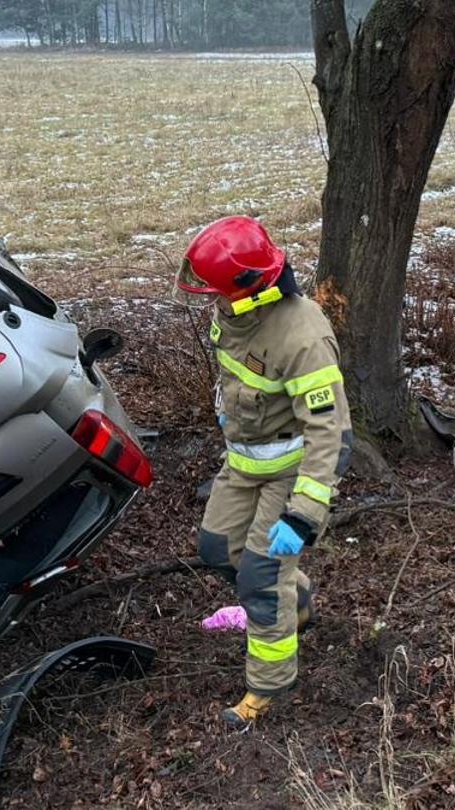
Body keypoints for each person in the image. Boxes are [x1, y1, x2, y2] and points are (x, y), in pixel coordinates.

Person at [180, 215, 351, 726]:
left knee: (260, 579)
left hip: (291, 473)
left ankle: (267, 687)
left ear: (249, 287)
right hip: (243, 463)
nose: (212, 300)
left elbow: (331, 433)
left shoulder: (302, 337)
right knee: (217, 549)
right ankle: (295, 598)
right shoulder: (234, 313)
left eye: (218, 291)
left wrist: (304, 512)